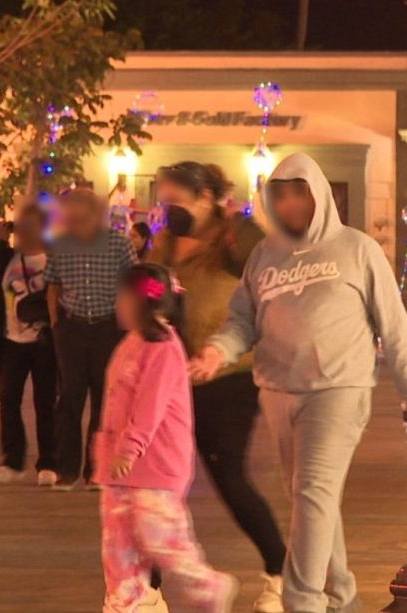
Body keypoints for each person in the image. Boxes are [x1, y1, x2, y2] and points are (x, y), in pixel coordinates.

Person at [190, 153, 407, 612]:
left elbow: (394, 326)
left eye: (300, 192)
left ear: (320, 194)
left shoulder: (357, 249)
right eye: (281, 194)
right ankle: (341, 596)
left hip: (339, 389)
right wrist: (219, 349)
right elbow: (242, 320)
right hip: (278, 392)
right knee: (311, 498)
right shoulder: (265, 254)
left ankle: (304, 601)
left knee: (313, 490)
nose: (291, 203)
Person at [148, 161, 285, 612]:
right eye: (164, 200)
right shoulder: (166, 243)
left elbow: (269, 278)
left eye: (177, 200)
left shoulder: (235, 237)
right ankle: (147, 589)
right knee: (158, 484)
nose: (169, 208)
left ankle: (279, 573)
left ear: (207, 197)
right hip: (173, 376)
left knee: (227, 474)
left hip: (228, 375)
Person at [92, 263, 237, 613]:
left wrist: (129, 447)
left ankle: (207, 586)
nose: (118, 304)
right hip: (119, 471)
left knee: (161, 539)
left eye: (124, 298)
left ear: (145, 302)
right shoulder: (133, 341)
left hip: (154, 467)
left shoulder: (163, 346)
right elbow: (115, 403)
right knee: (118, 548)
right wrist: (104, 452)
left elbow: (149, 406)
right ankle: (128, 603)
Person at [46, 188, 137, 490]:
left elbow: (134, 285)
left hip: (108, 328)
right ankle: (66, 470)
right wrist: (56, 324)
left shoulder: (118, 245)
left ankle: (97, 469)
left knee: (106, 399)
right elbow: (53, 287)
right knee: (69, 398)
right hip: (71, 329)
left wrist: (129, 326)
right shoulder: (60, 246)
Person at [0, 206, 58, 487]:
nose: (21, 231)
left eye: (28, 226)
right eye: (19, 226)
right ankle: (13, 460)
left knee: (45, 403)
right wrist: (1, 243)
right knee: (8, 401)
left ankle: (48, 462)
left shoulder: (53, 259)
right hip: (11, 341)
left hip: (43, 343)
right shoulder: (8, 258)